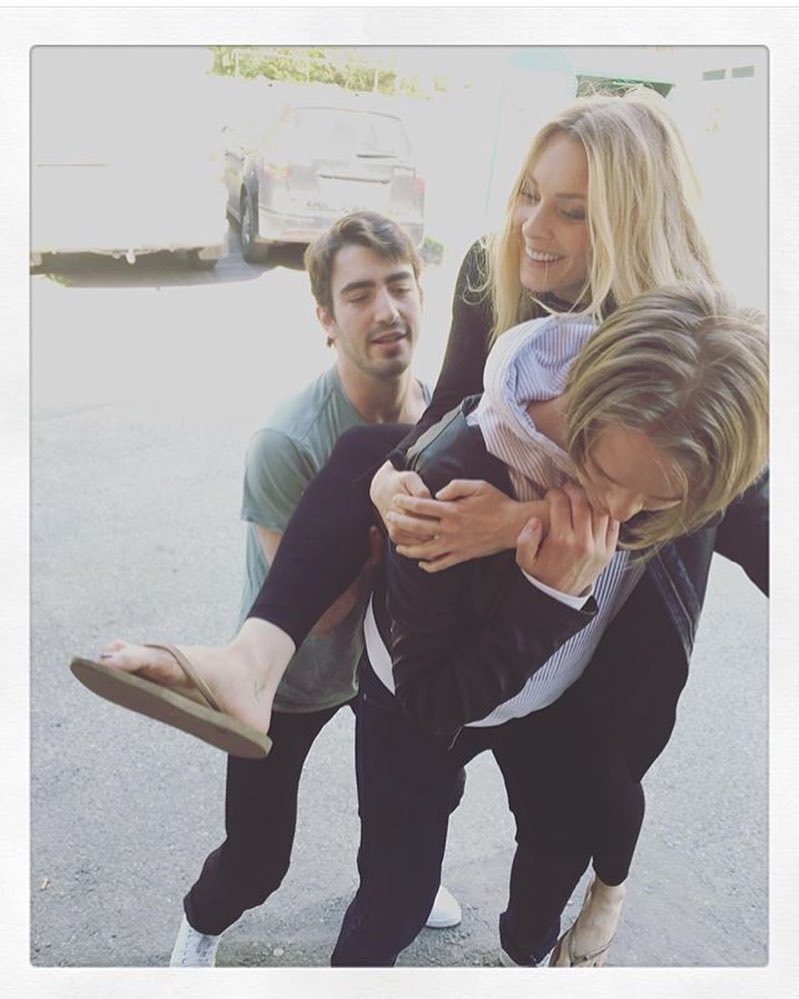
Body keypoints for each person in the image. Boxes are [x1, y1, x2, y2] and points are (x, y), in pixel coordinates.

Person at [70, 88, 758, 963]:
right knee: (372, 455)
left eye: (572, 210)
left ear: (634, 221)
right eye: (527, 193)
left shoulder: (682, 348)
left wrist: (519, 521)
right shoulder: (493, 269)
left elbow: (709, 505)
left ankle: (590, 898)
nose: (530, 227)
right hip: (451, 634)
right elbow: (451, 412)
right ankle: (252, 661)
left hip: (570, 655)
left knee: (572, 837)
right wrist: (397, 478)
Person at [327, 283, 768, 967]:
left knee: (553, 860)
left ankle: (526, 954)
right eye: (601, 472)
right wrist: (547, 595)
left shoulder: (685, 447)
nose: (618, 511)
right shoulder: (450, 480)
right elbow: (433, 701)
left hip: (554, 702)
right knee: (395, 897)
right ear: (585, 399)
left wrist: (521, 525)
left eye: (658, 501)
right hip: (421, 699)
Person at [76, 212, 462, 968]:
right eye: (359, 294)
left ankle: (406, 885)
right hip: (295, 678)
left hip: (388, 668)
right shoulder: (290, 442)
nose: (386, 310)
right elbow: (316, 616)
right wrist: (384, 551)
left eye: (400, 285)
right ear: (326, 319)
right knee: (257, 858)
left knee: (416, 813)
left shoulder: (445, 420)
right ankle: (201, 922)